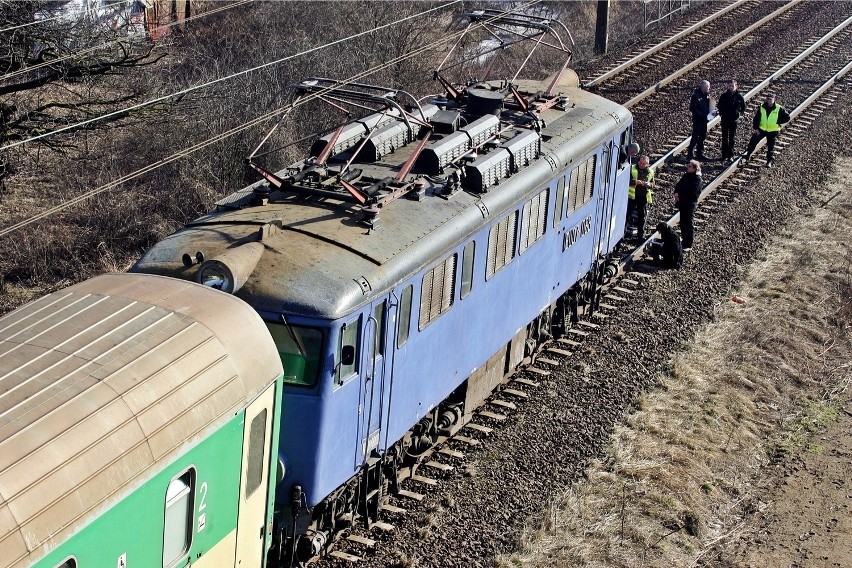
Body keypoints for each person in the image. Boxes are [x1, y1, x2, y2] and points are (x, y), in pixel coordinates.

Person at [742, 92, 790, 168]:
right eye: (768, 99)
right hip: (762, 129)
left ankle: (769, 161)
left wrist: (778, 121)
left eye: (771, 99)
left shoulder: (779, 108)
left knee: (771, 147)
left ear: (774, 99)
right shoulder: (762, 107)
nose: (769, 100)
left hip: (773, 130)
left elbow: (787, 117)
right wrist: (756, 128)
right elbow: (756, 118)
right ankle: (748, 154)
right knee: (753, 141)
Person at [673, 160, 703, 252]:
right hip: (682, 203)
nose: (688, 167)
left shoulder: (697, 179)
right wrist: (676, 193)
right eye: (688, 166)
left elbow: (692, 192)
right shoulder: (686, 176)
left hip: (690, 204)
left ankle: (688, 243)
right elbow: (679, 185)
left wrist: (680, 194)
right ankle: (684, 240)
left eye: (690, 166)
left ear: (694, 168)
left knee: (688, 224)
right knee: (682, 222)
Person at [717, 79, 746, 165]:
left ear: (736, 86)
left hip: (734, 120)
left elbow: (743, 107)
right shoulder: (724, 96)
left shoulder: (739, 96)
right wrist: (722, 114)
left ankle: (730, 155)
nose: (731, 87)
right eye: (730, 86)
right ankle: (724, 155)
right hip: (725, 119)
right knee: (724, 137)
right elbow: (719, 106)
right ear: (728, 86)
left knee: (732, 138)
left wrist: (739, 114)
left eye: (733, 86)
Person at [626, 155, 655, 238]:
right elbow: (625, 180)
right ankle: (622, 235)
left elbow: (653, 184)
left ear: (647, 165)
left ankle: (640, 237)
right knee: (627, 216)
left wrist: (649, 184)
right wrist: (635, 182)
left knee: (642, 218)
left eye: (643, 164)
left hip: (643, 198)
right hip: (632, 197)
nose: (641, 165)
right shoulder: (632, 168)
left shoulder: (650, 172)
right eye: (640, 162)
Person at [687, 80, 712, 161]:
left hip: (704, 120)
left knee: (702, 137)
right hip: (698, 120)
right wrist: (702, 115)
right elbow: (692, 108)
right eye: (708, 87)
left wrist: (712, 112)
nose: (709, 88)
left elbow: (709, 106)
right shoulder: (696, 96)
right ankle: (690, 155)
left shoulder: (707, 95)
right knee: (695, 137)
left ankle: (699, 154)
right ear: (703, 87)